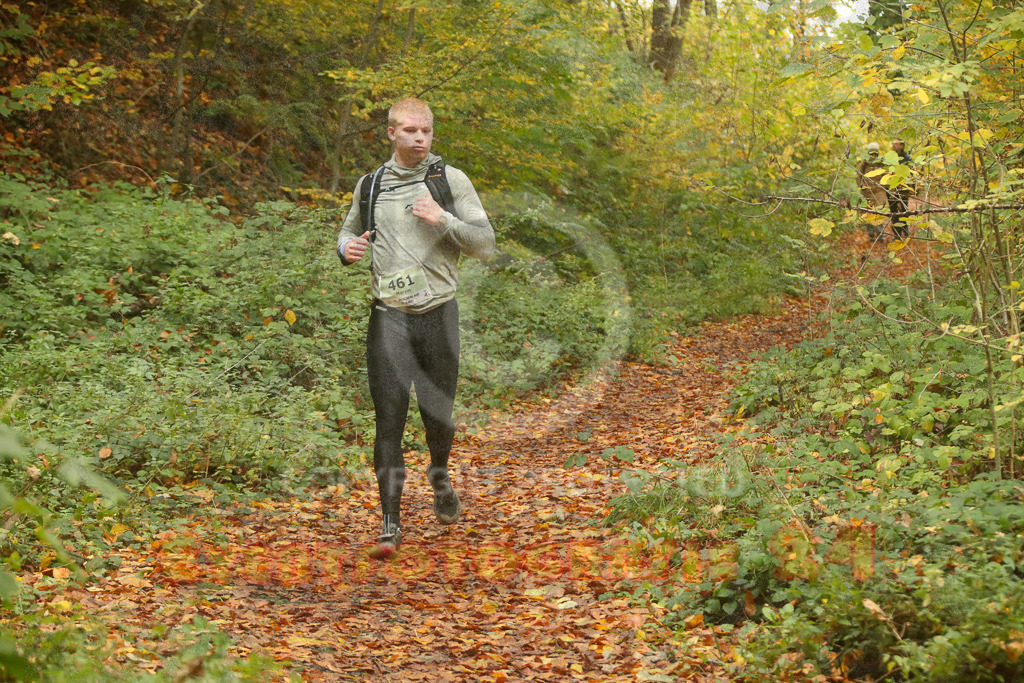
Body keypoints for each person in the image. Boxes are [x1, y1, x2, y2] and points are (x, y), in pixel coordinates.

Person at [336, 97, 495, 558]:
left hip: (439, 315)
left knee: (437, 417)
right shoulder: (371, 186)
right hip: (389, 317)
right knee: (389, 419)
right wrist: (346, 248)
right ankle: (390, 522)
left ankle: (440, 475)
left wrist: (442, 218)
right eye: (410, 130)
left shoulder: (449, 181)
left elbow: (485, 245)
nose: (420, 138)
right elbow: (347, 232)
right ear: (391, 134)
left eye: (426, 130)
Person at [855, 142, 887, 241]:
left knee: (879, 213)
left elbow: (887, 176)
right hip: (867, 193)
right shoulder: (864, 164)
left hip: (879, 192)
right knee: (868, 214)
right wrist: (862, 186)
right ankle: (871, 235)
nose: (874, 156)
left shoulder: (882, 163)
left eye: (875, 154)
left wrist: (886, 187)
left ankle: (880, 235)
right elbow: (858, 176)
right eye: (872, 154)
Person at [887, 138, 914, 240]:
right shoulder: (889, 158)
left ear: (901, 146)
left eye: (896, 144)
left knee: (903, 210)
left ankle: (905, 230)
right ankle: (896, 234)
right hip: (891, 188)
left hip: (903, 188)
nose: (893, 145)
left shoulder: (907, 159)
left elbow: (912, 172)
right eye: (893, 143)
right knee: (893, 211)